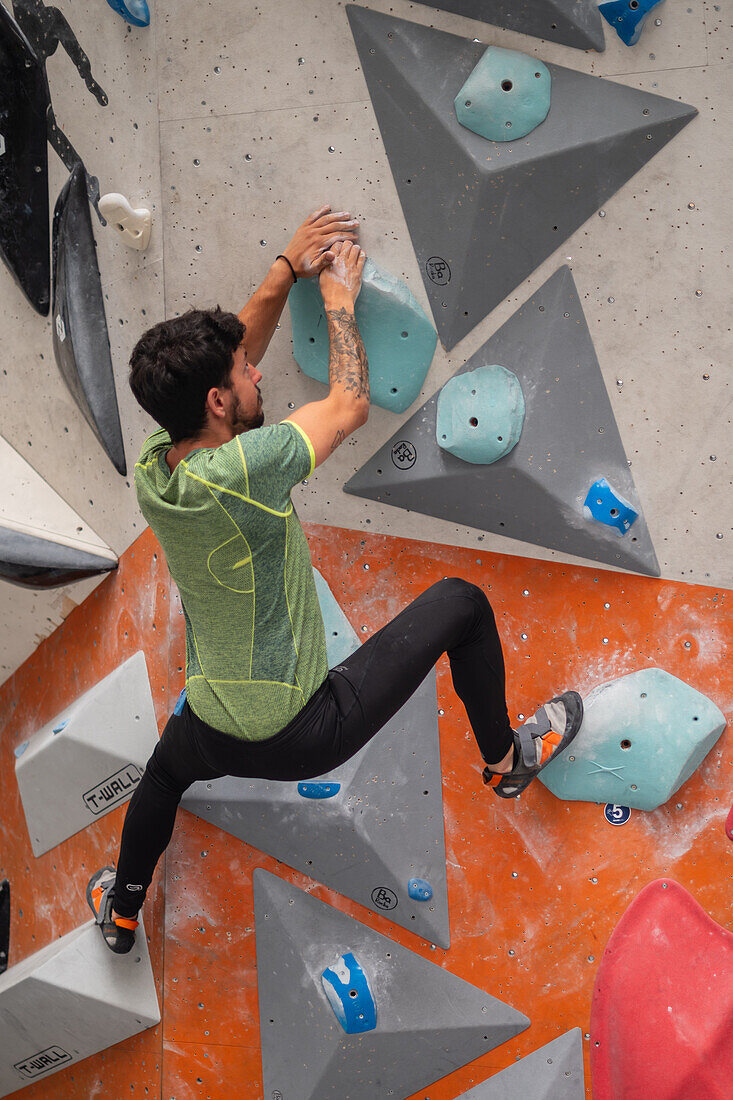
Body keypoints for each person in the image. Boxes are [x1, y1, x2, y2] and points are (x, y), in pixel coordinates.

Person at [87, 205, 583, 953]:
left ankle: (121, 914)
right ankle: (506, 761)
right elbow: (347, 404)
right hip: (302, 731)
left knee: (162, 782)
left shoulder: (160, 465)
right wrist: (337, 297)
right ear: (220, 405)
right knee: (461, 604)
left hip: (214, 722)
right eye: (243, 376)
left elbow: (229, 360)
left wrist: (283, 269)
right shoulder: (246, 468)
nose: (259, 371)